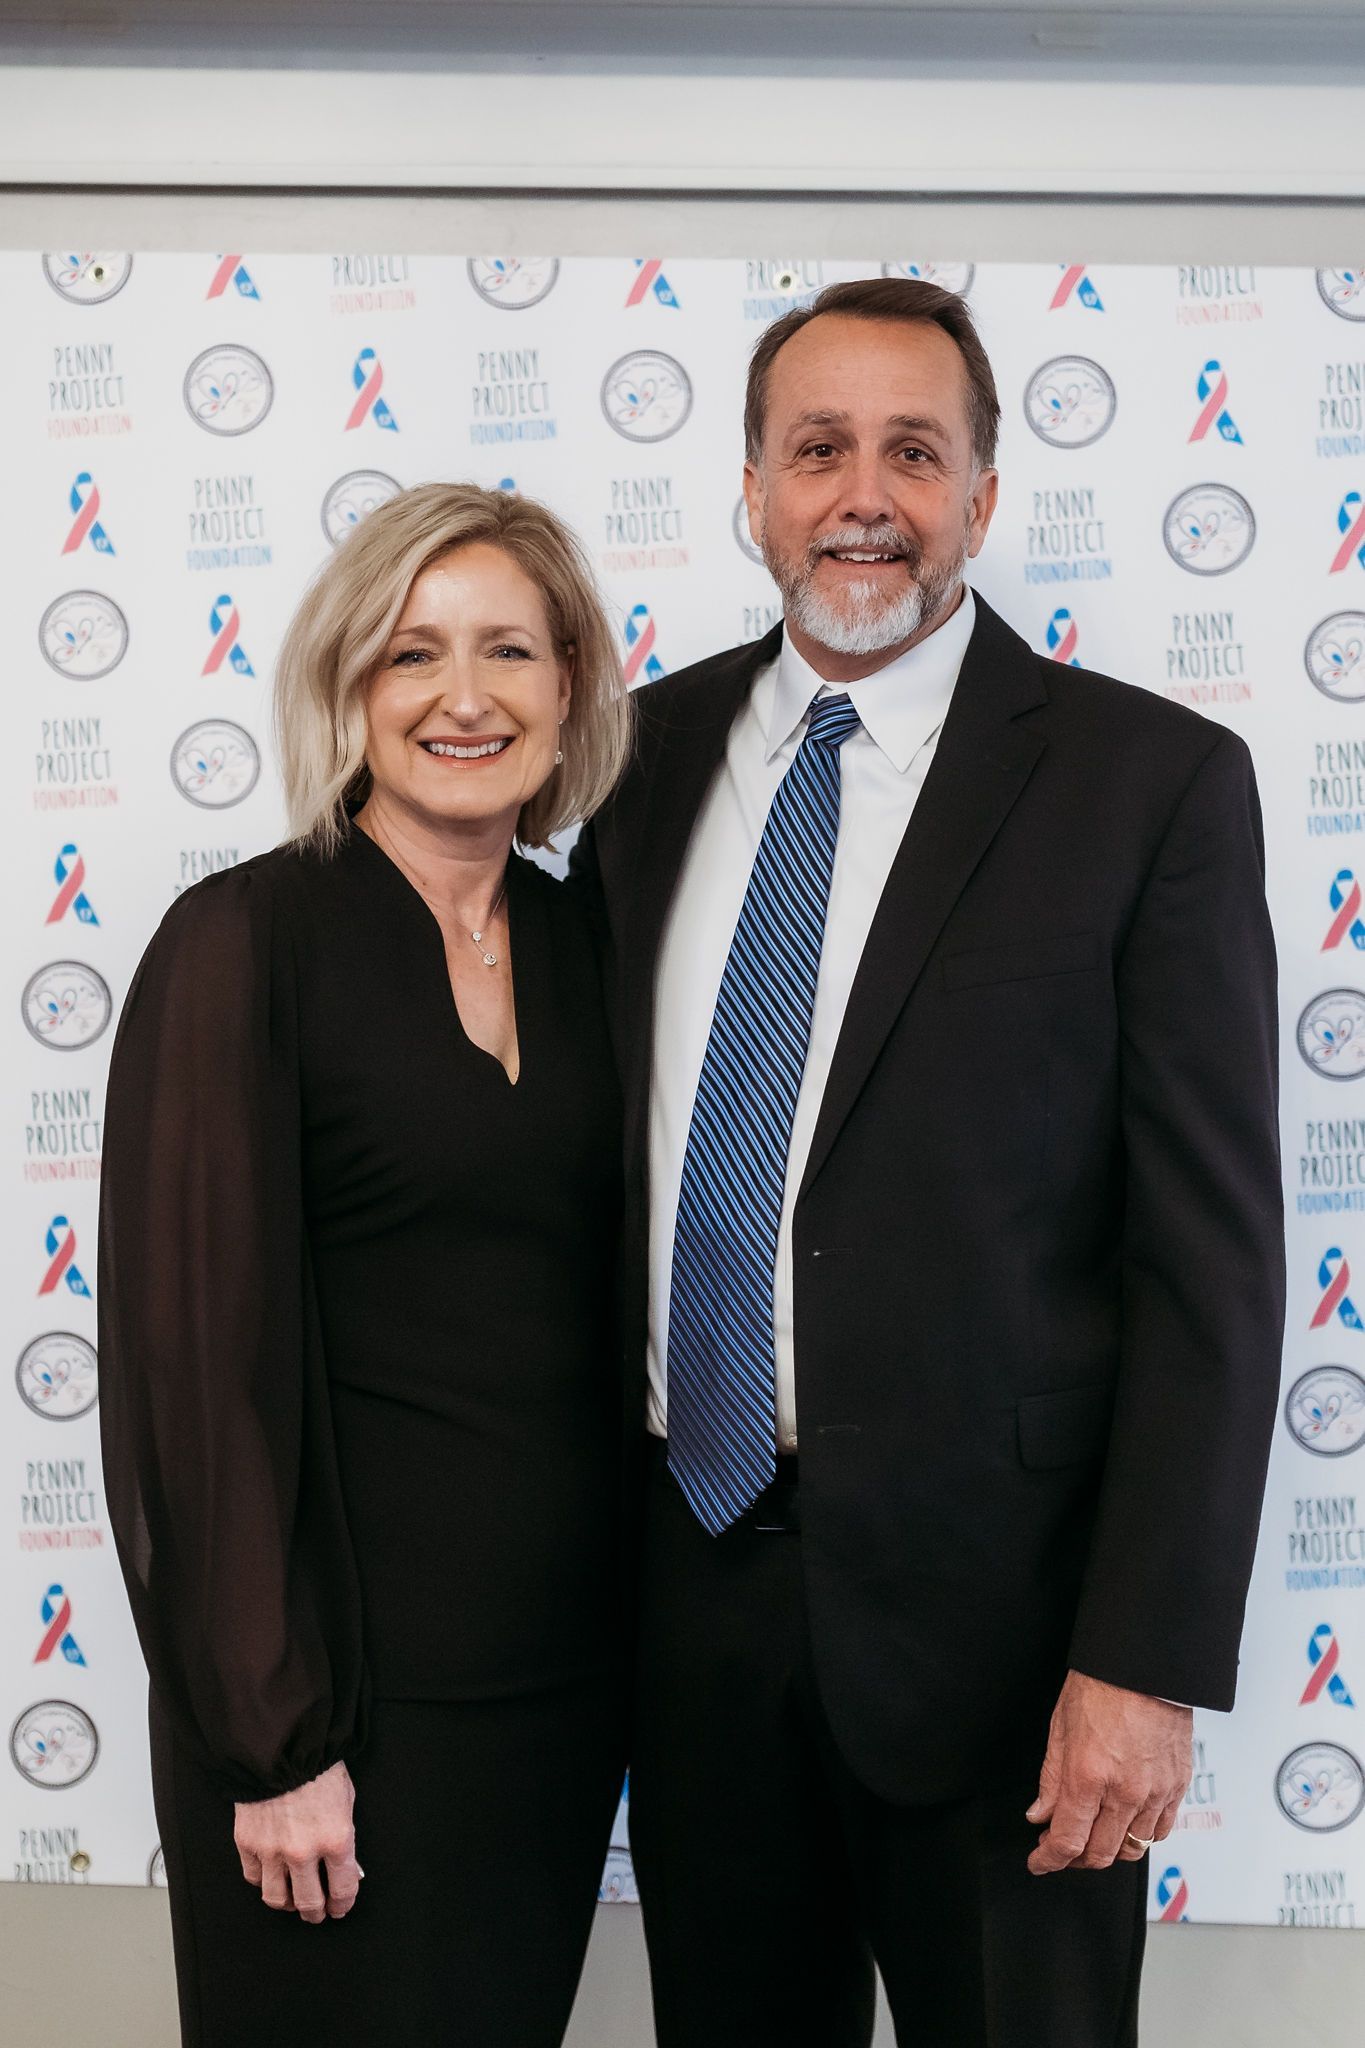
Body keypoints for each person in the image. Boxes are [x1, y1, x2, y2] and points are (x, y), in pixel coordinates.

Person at [571, 278, 1284, 2046]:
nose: (863, 496)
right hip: (692, 1597)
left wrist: (1140, 1663)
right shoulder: (632, 764)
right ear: (753, 490)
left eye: (913, 450)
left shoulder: (1146, 783)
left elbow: (1206, 1269)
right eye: (818, 450)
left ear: (981, 493)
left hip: (1010, 1648)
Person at [98, 482, 633, 2048]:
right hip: (338, 1718)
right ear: (348, 685)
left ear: (570, 686)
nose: (464, 697)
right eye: (413, 653)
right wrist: (271, 1741)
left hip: (556, 1701)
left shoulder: (595, 948)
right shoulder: (244, 942)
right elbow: (194, 1377)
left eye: (508, 651)